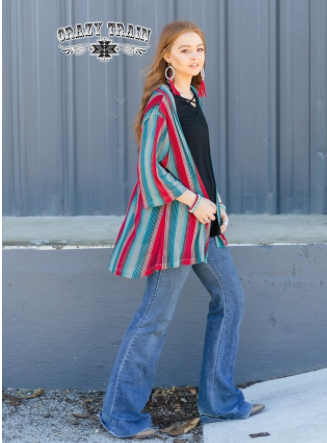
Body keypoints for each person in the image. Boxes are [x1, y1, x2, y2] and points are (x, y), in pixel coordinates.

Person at [98, 20, 265, 440]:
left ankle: (220, 402)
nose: (195, 56)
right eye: (185, 50)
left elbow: (198, 165)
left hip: (204, 225)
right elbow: (150, 172)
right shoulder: (161, 103)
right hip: (174, 230)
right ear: (167, 57)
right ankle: (119, 415)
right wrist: (195, 201)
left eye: (200, 49)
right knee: (154, 317)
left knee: (231, 302)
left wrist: (217, 204)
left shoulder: (192, 98)